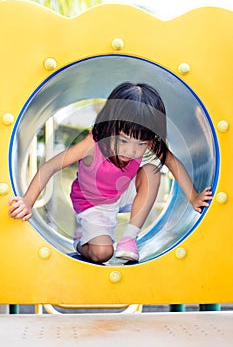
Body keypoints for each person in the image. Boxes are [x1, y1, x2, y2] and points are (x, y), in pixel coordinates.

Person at [8, 82, 212, 264]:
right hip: (92, 204)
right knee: (102, 253)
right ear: (111, 127)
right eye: (123, 140)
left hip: (122, 194)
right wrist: (28, 201)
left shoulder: (147, 140)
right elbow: (50, 166)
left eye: (141, 144)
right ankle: (81, 240)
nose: (130, 151)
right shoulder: (93, 143)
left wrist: (194, 198)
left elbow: (173, 164)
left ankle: (129, 238)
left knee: (152, 171)